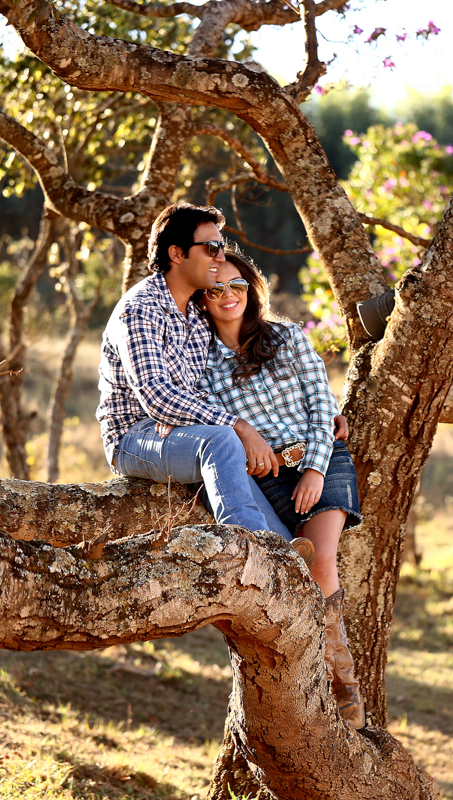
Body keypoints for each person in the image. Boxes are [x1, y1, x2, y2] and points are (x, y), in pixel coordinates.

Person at [192, 248, 366, 730]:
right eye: (216, 289)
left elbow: (321, 407)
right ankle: (307, 681)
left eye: (238, 286)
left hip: (322, 460)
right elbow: (208, 420)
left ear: (252, 288)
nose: (229, 296)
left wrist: (313, 470)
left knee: (322, 559)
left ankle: (344, 686)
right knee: (291, 571)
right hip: (263, 477)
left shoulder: (287, 336)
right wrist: (246, 433)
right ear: (203, 299)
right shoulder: (199, 359)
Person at [97, 203, 294, 539]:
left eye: (221, 247)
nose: (220, 256)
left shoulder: (198, 315)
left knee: (229, 453)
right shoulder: (140, 308)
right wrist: (238, 426)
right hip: (133, 438)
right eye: (210, 248)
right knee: (222, 439)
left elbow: (214, 380)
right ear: (176, 253)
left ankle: (284, 556)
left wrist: (327, 413)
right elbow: (157, 396)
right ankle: (247, 545)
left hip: (180, 433)